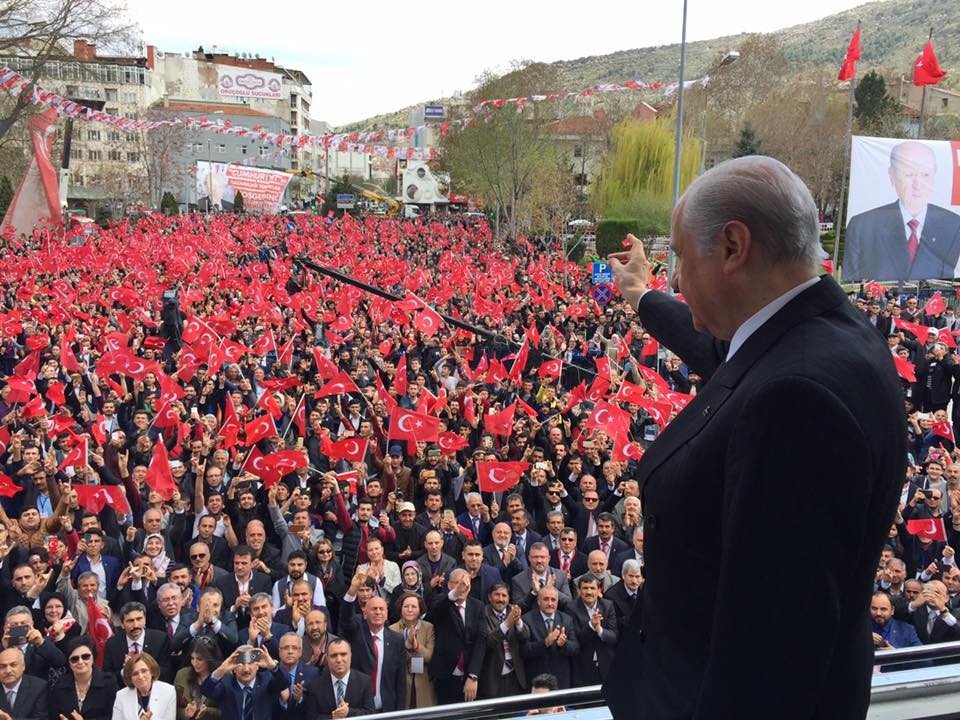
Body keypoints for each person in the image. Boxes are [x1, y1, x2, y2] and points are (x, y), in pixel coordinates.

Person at [604, 155, 906, 719]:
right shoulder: (823, 331)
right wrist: (641, 295)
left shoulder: (796, 402)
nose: (674, 276)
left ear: (733, 247)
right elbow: (731, 356)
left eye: (678, 255)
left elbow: (767, 663)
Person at [844, 140, 960, 281]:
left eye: (925, 175)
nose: (918, 184)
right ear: (892, 175)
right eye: (909, 174)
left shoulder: (953, 225)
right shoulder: (863, 226)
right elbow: (852, 282)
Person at [50, 636, 120, 720]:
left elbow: (115, 716)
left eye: (85, 657)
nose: (80, 662)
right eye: (74, 659)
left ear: (93, 658)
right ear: (69, 663)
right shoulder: (60, 686)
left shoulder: (109, 683)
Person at [303, 637, 374, 719]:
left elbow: (371, 714)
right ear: (327, 659)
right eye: (334, 655)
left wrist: (348, 712)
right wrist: (333, 718)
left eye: (343, 654)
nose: (339, 660)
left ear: (350, 656)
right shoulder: (316, 685)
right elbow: (311, 717)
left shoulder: (364, 682)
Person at [387, 591, 436, 709]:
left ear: (420, 609)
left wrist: (416, 645)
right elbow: (391, 660)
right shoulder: (391, 629)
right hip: (401, 683)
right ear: (400, 608)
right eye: (406, 606)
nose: (409, 610)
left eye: (413, 607)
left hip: (423, 682)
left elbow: (429, 656)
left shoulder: (428, 627)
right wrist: (406, 645)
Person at [111, 652, 177, 720]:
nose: (140, 676)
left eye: (144, 671)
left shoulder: (168, 691)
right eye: (135, 674)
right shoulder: (121, 696)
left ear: (152, 671)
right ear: (130, 678)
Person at [173, 637, 222, 720]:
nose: (195, 663)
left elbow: (227, 710)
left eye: (199, 659)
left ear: (210, 658)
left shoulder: (222, 676)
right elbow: (173, 706)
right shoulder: (182, 674)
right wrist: (186, 713)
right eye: (192, 658)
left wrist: (206, 711)